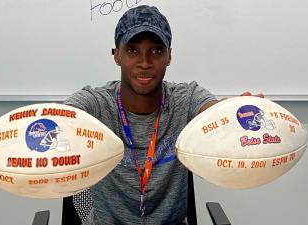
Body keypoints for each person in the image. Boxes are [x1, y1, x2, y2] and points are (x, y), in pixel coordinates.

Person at [65, 5, 260, 225]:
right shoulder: (98, 103)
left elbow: (214, 113)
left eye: (156, 51)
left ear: (169, 56)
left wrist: (232, 116)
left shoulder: (185, 99)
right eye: (132, 50)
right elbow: (65, 116)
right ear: (116, 55)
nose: (145, 62)